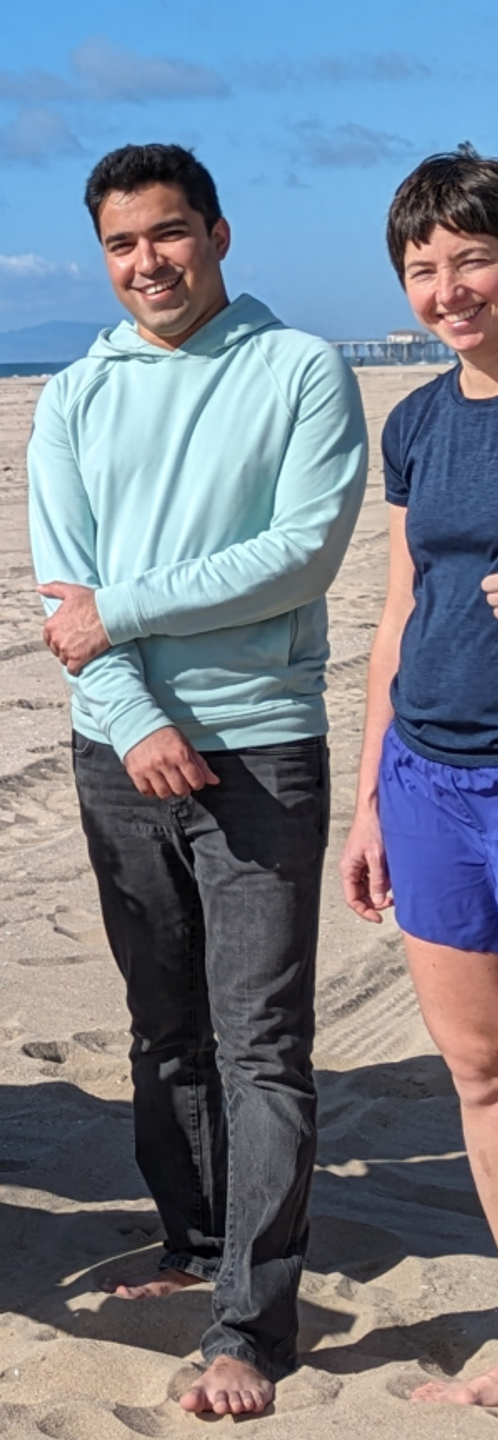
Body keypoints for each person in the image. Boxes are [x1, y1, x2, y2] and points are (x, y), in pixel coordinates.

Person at [27, 143, 366, 1418]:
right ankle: (189, 1241)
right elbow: (61, 599)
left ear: (218, 234)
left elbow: (298, 559)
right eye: (121, 245)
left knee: (261, 1042)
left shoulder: (299, 370)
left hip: (264, 741)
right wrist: (131, 712)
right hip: (118, 751)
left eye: (167, 235)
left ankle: (252, 1319)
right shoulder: (72, 396)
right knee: (163, 1027)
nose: (147, 264)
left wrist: (123, 612)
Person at [340, 147, 498, 1409]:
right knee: (480, 1073)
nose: (449, 289)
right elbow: (399, 606)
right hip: (435, 777)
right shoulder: (420, 420)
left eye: (473, 258)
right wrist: (370, 797)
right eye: (424, 267)